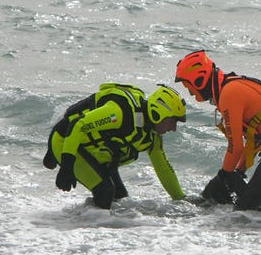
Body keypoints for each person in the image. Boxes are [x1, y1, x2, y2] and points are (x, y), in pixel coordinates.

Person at [174, 50, 261, 215]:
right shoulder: (230, 88)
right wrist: (238, 171)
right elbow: (252, 141)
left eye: (189, 88)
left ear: (199, 81)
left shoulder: (229, 94)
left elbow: (236, 146)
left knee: (246, 214)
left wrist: (224, 175)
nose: (191, 94)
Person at [43, 83, 187, 209]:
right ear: (158, 113)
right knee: (105, 192)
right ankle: (78, 231)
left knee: (121, 200)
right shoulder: (119, 113)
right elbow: (78, 125)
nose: (174, 128)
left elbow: (163, 169)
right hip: (64, 142)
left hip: (93, 153)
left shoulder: (152, 137)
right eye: (173, 121)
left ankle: (101, 230)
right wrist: (67, 167)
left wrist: (182, 201)